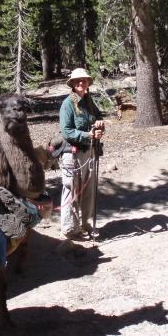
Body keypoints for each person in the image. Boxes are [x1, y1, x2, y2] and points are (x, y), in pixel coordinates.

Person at [59, 68, 104, 240]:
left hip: (90, 152)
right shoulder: (67, 104)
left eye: (84, 80)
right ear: (72, 83)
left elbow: (98, 117)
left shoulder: (89, 101)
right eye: (77, 81)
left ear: (87, 83)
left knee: (89, 190)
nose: (81, 83)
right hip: (73, 153)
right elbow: (67, 131)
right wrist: (88, 135)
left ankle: (87, 224)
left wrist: (100, 124)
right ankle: (69, 229)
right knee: (71, 190)